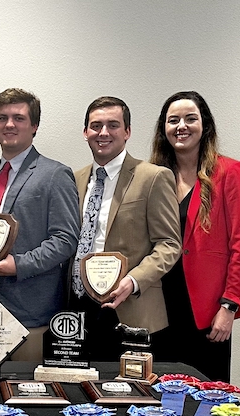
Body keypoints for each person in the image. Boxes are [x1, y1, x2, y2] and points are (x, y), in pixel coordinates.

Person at [0, 88, 79, 361]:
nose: (9, 124)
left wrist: (19, 265)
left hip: (30, 309)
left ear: (34, 126)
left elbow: (65, 239)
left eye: (18, 118)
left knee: (27, 393)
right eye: (2, 117)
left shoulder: (55, 174)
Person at [68, 96, 181, 362]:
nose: (103, 133)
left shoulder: (153, 177)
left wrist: (134, 281)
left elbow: (169, 244)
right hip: (79, 309)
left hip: (130, 308)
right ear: (85, 132)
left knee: (130, 397)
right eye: (96, 126)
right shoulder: (74, 179)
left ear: (127, 131)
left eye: (113, 125)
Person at [150, 91, 240, 382]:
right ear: (164, 129)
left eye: (190, 119)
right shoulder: (154, 175)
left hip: (207, 309)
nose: (181, 126)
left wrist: (229, 306)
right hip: (160, 305)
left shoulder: (229, 172)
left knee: (206, 400)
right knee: (161, 394)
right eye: (173, 120)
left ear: (204, 125)